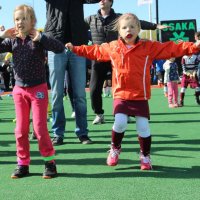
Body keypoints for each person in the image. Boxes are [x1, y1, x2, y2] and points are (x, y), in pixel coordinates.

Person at [66, 13, 200, 170]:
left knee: (143, 127)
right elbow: (95, 51)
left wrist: (194, 46)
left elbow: (171, 48)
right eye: (124, 27)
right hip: (121, 95)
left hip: (140, 95)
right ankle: (115, 148)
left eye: (132, 27)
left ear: (139, 29)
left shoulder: (149, 47)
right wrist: (76, 49)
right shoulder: (113, 47)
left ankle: (145, 155)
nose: (128, 30)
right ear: (119, 31)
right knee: (120, 123)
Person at [0, 4, 65, 178]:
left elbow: (59, 48)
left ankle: (50, 162)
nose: (20, 22)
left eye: (24, 18)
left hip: (38, 89)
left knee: (39, 128)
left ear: (32, 21)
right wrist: (1, 36)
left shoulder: (37, 39)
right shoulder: (11, 40)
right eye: (17, 19)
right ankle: (23, 164)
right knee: (20, 130)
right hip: (19, 90)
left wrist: (42, 38)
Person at [85, 0, 170, 125]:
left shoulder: (119, 18)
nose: (102, 1)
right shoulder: (90, 19)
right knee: (94, 88)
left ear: (111, 2)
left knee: (124, 85)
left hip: (118, 56)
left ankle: (127, 112)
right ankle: (99, 114)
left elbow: (136, 23)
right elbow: (76, 26)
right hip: (99, 57)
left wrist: (155, 26)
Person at [44, 0, 101, 145]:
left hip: (77, 46)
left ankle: (82, 133)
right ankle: (58, 133)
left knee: (80, 94)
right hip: (55, 44)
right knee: (56, 94)